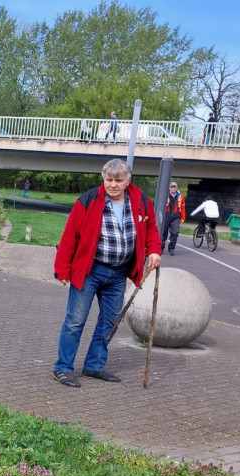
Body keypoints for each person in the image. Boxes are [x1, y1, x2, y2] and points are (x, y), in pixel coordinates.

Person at [52, 158, 162, 388]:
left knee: (109, 322)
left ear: (127, 181)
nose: (112, 184)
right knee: (75, 321)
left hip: (118, 273)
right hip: (90, 270)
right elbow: (70, 235)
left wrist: (153, 251)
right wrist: (62, 269)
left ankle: (94, 365)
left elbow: (151, 228)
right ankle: (63, 368)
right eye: (108, 179)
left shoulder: (141, 200)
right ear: (103, 179)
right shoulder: (89, 200)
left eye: (118, 180)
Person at [161, 182, 186, 255]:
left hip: (176, 216)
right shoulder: (165, 195)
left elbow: (183, 207)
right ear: (169, 188)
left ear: (177, 188)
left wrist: (183, 217)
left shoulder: (181, 196)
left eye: (174, 187)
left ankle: (171, 248)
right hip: (166, 216)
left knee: (175, 232)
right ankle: (161, 247)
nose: (173, 188)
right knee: (163, 232)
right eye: (172, 187)